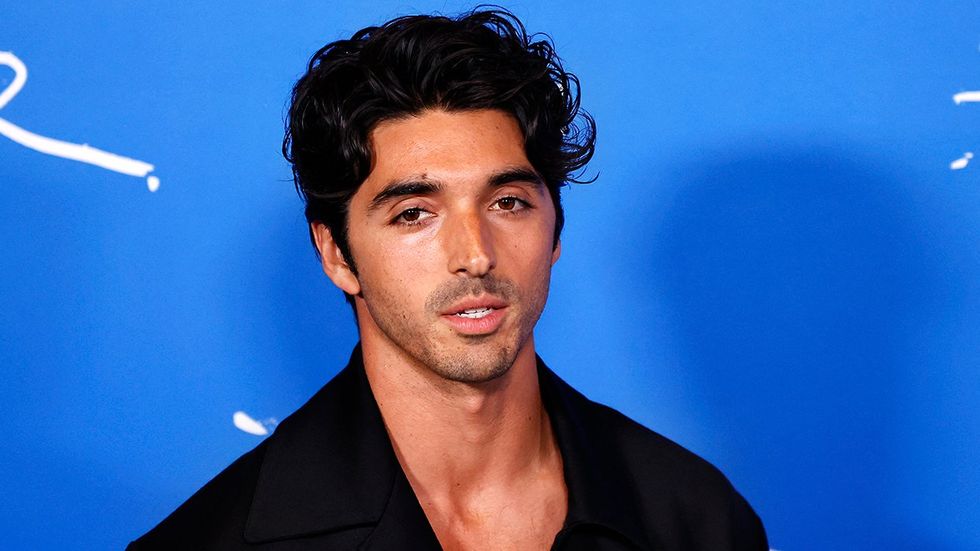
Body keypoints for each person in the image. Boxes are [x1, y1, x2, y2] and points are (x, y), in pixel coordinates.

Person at [130, 8, 767, 550]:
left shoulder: (695, 519)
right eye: (414, 214)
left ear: (555, 231)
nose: (475, 254)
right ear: (337, 255)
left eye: (508, 203)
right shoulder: (210, 541)